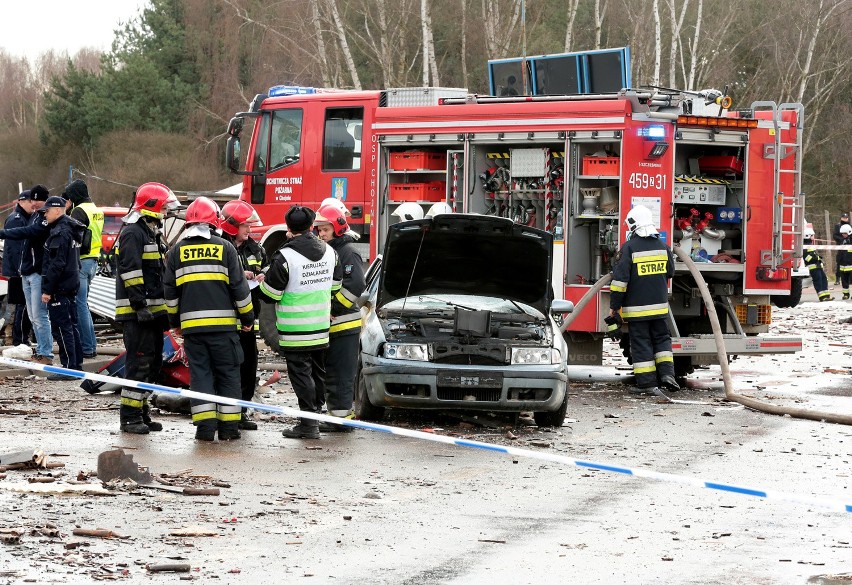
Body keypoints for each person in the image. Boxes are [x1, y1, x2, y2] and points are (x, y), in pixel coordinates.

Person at [164, 197, 254, 442]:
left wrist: (175, 324)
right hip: (224, 330)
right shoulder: (226, 248)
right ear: (215, 222)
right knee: (228, 374)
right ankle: (228, 429)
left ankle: (204, 429)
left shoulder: (175, 253)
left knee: (201, 376)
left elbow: (170, 295)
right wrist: (248, 318)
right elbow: (240, 289)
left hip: (192, 331)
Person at [260, 205, 341, 439]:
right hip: (321, 328)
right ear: (312, 226)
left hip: (295, 330)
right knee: (317, 374)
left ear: (288, 228)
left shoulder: (285, 256)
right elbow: (335, 287)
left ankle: (308, 425)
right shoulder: (330, 252)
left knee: (301, 376)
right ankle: (315, 416)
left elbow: (270, 295)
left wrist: (264, 280)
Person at [115, 182, 178, 434]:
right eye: (163, 208)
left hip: (151, 313)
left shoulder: (149, 231)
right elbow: (131, 271)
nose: (166, 213)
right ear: (152, 207)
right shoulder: (133, 233)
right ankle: (129, 417)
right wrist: (139, 304)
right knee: (138, 365)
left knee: (152, 365)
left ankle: (142, 411)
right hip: (137, 314)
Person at [609, 205, 678, 396]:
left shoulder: (628, 248)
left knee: (641, 344)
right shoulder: (663, 247)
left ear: (633, 225)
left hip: (637, 311)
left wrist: (614, 308)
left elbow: (619, 283)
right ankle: (667, 375)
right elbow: (670, 272)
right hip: (660, 309)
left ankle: (647, 383)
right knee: (662, 340)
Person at [313, 203, 365, 432]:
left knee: (341, 374)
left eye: (325, 229)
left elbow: (356, 285)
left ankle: (342, 421)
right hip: (332, 324)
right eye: (319, 230)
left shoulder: (347, 252)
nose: (321, 234)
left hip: (344, 324)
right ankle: (337, 417)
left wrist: (333, 309)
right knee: (332, 372)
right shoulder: (329, 251)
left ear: (337, 229)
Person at [219, 200, 267, 431]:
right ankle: (225, 412)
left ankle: (242, 411)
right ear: (231, 226)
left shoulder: (255, 248)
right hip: (226, 320)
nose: (249, 230)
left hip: (249, 318)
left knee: (248, 365)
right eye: (245, 226)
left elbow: (267, 266)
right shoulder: (219, 245)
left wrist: (262, 275)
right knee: (228, 366)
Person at [0, 185, 54, 365]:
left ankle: (46, 352)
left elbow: (28, 233)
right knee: (32, 315)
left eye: (35, 200)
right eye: (31, 201)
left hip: (36, 272)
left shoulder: (44, 218)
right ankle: (40, 351)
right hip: (26, 272)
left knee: (39, 315)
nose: (33, 204)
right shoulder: (33, 217)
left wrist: (3, 233)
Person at [40, 196, 85, 379]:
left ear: (58, 210)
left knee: (62, 328)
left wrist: (47, 290)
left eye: (47, 211)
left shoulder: (61, 231)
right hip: (70, 284)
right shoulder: (71, 229)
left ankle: (68, 369)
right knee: (72, 326)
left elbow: (57, 264)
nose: (45, 214)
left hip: (61, 287)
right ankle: (76, 365)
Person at [65, 179, 104, 359]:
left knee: (80, 304)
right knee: (84, 304)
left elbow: (71, 235)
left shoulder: (78, 211)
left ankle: (87, 348)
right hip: (93, 260)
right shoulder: (96, 210)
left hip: (81, 261)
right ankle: (92, 346)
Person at [2, 189, 34, 347]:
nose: (32, 205)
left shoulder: (25, 217)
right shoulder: (16, 219)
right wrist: (21, 269)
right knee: (22, 305)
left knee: (25, 305)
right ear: (22, 201)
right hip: (18, 270)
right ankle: (19, 340)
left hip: (22, 269)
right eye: (30, 202)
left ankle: (22, 338)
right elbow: (15, 249)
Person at [803, 227, 833, 302]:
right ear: (808, 236)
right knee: (818, 281)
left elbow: (814, 254)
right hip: (813, 267)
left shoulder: (810, 244)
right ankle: (822, 297)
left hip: (818, 266)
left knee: (824, 279)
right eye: (812, 235)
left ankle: (826, 295)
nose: (813, 237)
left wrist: (819, 258)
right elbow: (806, 257)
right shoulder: (805, 246)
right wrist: (816, 258)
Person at [832, 213, 850, 286]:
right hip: (841, 247)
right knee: (839, 262)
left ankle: (848, 279)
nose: (845, 219)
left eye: (846, 218)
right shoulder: (838, 226)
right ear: (841, 218)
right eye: (843, 217)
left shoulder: (850, 226)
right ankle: (837, 278)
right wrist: (842, 240)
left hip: (849, 248)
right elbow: (835, 235)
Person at [837, 223, 852, 300]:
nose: (843, 235)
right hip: (843, 265)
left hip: (851, 265)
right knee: (844, 281)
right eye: (842, 233)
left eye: (845, 233)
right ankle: (846, 294)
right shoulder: (842, 241)